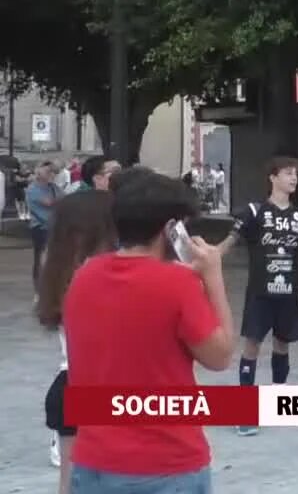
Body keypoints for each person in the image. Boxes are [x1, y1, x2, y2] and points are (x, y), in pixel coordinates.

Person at [63, 170, 235, 494]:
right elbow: (220, 355)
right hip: (164, 461)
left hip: (93, 459)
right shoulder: (176, 284)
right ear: (171, 230)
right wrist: (212, 276)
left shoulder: (84, 276)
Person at [217, 156, 298, 436]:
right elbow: (230, 241)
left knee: (283, 344)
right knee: (252, 345)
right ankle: (245, 411)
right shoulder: (254, 212)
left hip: (288, 294)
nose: (293, 178)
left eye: (296, 175)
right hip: (260, 292)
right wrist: (210, 256)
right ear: (273, 177)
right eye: (288, 173)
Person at [36, 190, 116, 492]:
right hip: (95, 386)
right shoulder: (92, 276)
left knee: (71, 483)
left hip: (71, 382)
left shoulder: (58, 270)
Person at [26, 161, 59, 294]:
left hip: (54, 226)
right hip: (40, 227)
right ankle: (38, 289)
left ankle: (51, 287)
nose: (51, 175)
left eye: (52, 172)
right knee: (40, 257)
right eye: (48, 172)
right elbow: (48, 202)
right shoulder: (33, 189)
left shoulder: (54, 187)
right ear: (39, 173)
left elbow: (64, 198)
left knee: (53, 257)